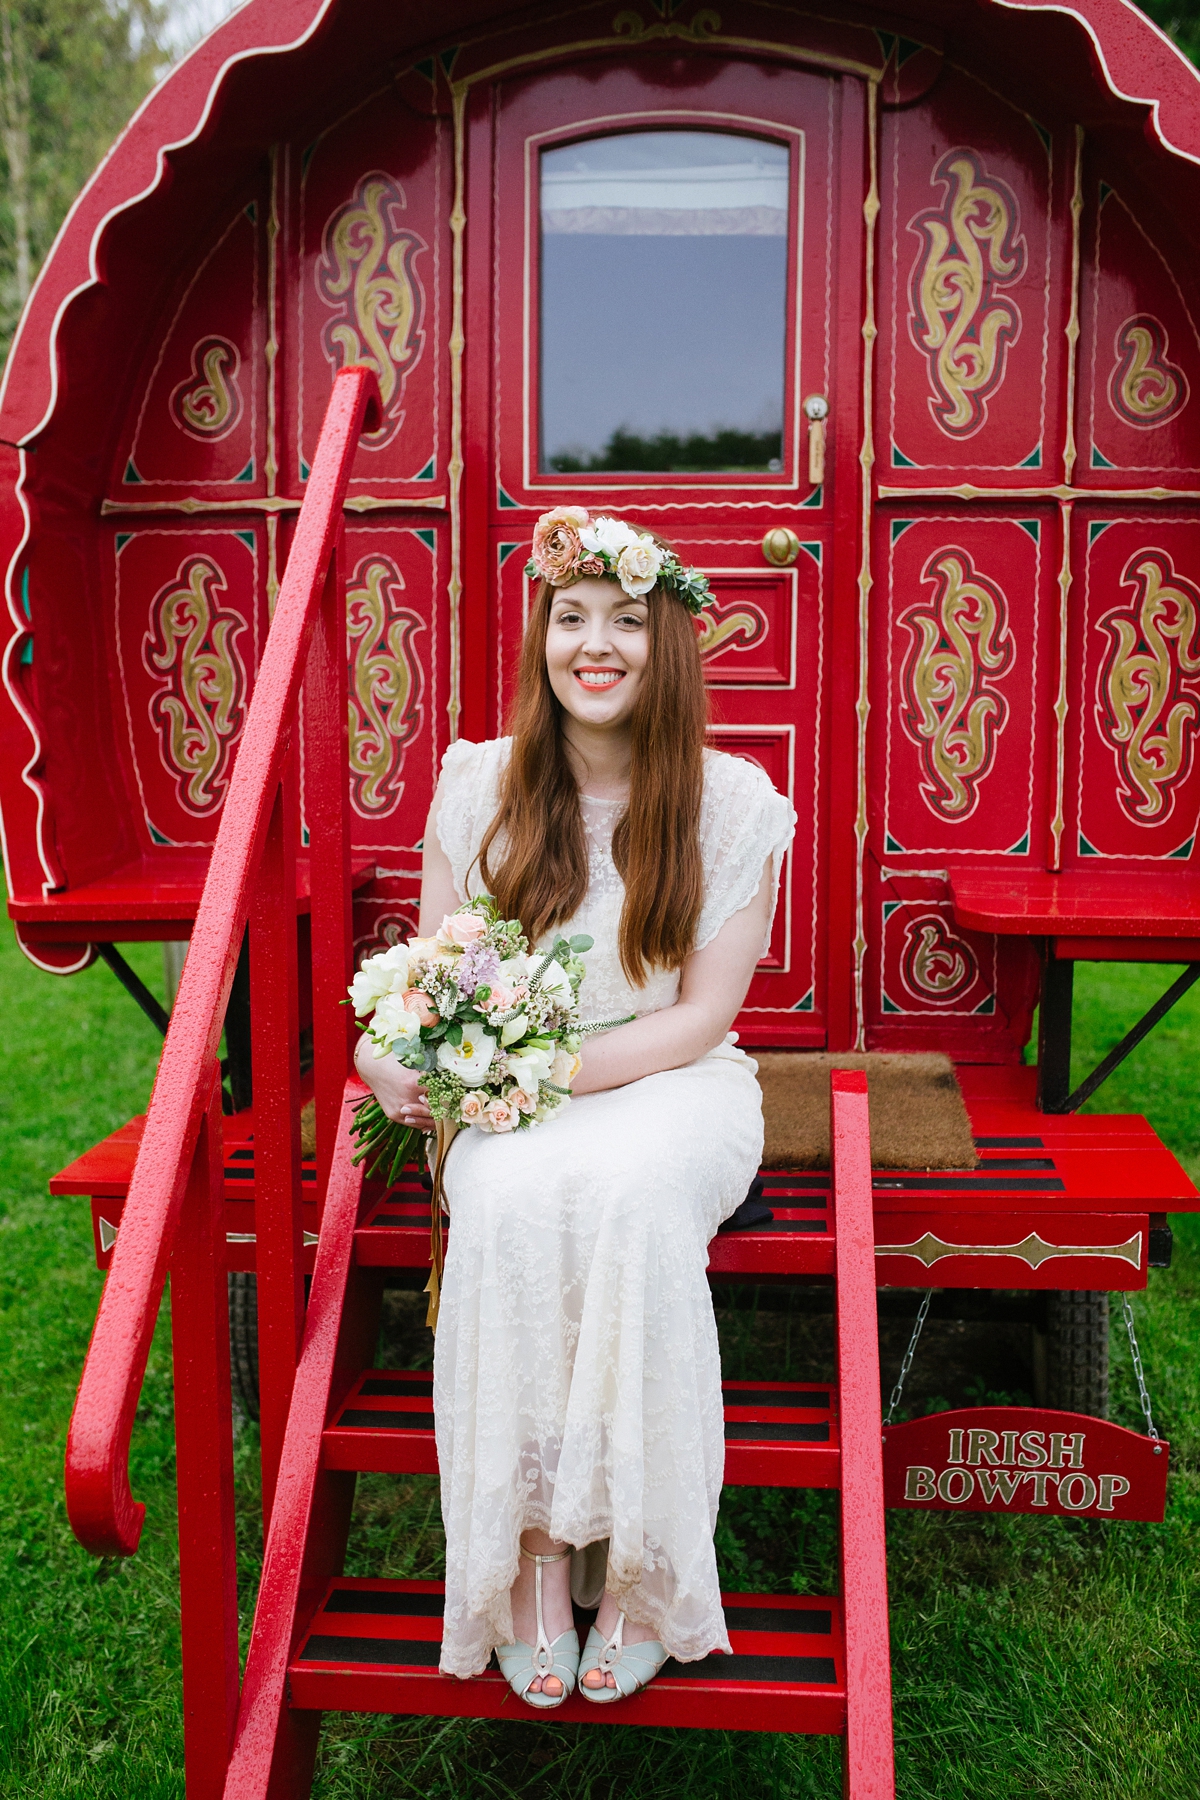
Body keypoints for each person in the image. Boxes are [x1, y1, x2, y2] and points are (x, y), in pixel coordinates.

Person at [355, 507, 795, 1707]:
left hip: (672, 1085)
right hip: (513, 1094)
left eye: (625, 622)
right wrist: (391, 1052)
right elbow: (433, 973)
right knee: (506, 1197)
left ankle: (645, 1573)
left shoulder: (731, 802)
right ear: (541, 637)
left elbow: (702, 1017)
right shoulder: (476, 786)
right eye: (571, 618)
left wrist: (536, 1075)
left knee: (636, 1198)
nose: (592, 646)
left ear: (667, 649)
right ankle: (534, 1562)